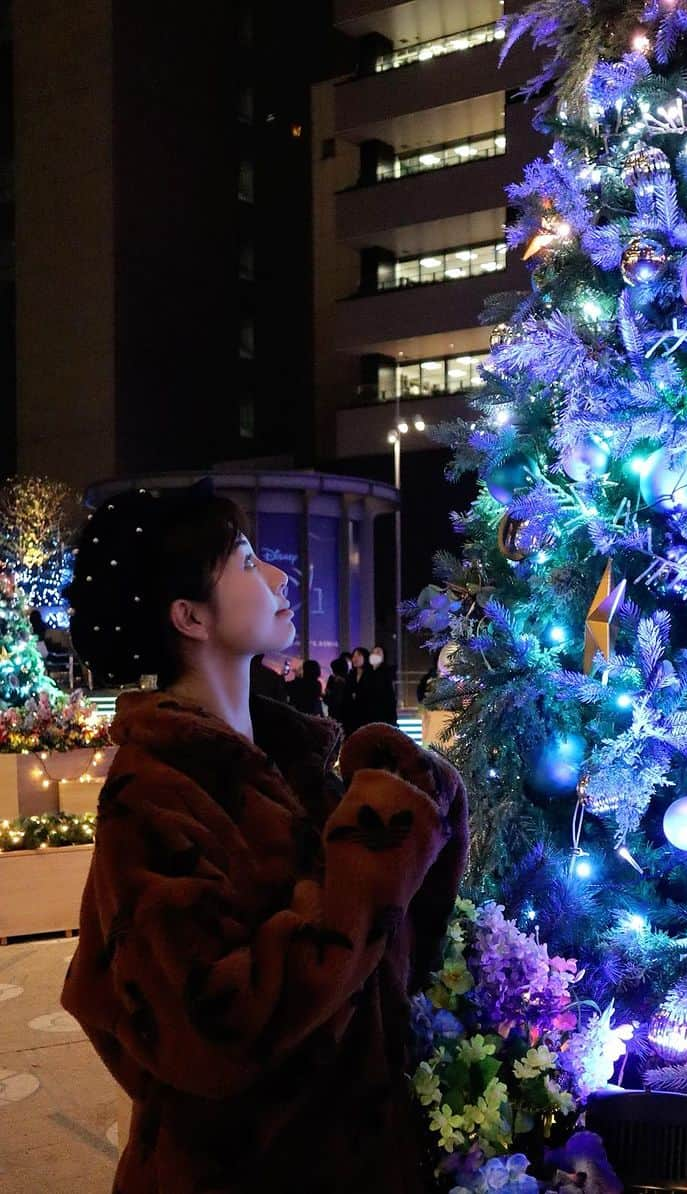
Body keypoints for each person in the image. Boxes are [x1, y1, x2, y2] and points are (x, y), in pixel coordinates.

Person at [59, 481, 468, 1193]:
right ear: (189, 615)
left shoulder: (290, 758)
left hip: (362, 1154)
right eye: (247, 563)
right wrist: (368, 855)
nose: (278, 576)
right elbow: (213, 1031)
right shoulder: (151, 795)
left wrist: (428, 816)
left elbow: (388, 957)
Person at [340, 646, 373, 734]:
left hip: (367, 716)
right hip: (351, 717)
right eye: (354, 656)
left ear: (365, 658)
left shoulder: (371, 675)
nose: (355, 658)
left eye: (358, 656)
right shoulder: (350, 675)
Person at [367, 644, 398, 726]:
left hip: (383, 713)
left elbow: (390, 696)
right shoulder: (367, 672)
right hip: (368, 713)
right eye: (373, 652)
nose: (375, 654)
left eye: (378, 652)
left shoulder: (387, 672)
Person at [323, 653, 350, 724]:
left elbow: (327, 697)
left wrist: (327, 694)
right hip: (342, 712)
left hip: (335, 712)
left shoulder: (333, 679)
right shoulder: (349, 678)